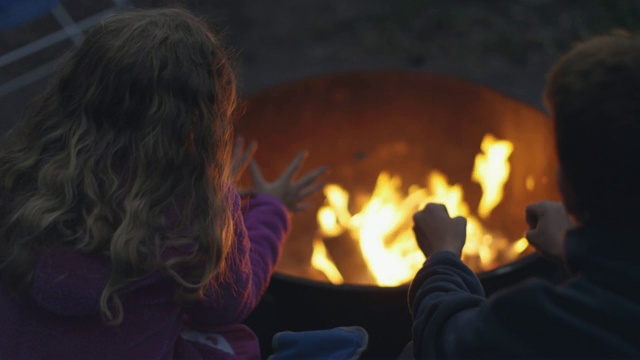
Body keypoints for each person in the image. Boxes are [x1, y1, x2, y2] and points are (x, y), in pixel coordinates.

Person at [0, 7, 327, 360]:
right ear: (202, 117)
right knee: (235, 339)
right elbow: (229, 304)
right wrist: (271, 207)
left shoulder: (18, 168)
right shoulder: (191, 207)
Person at [409, 32, 640, 359]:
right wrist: (568, 248)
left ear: (567, 186)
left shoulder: (543, 321)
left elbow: (446, 340)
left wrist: (442, 256)